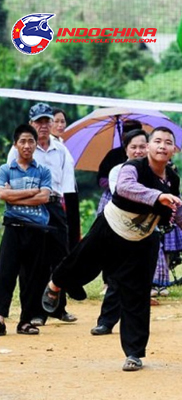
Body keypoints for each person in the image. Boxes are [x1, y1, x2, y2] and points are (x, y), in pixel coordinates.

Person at [41, 127, 182, 372]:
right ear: (147, 146)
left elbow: (178, 212)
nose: (162, 146)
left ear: (173, 150)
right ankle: (55, 284)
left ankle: (134, 353)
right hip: (110, 228)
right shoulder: (133, 167)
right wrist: (158, 196)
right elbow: (125, 188)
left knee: (136, 296)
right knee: (80, 264)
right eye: (157, 141)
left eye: (167, 142)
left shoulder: (172, 178)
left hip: (142, 240)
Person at [7, 103, 78, 325]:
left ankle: (59, 307)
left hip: (55, 206)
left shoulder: (61, 149)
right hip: (30, 208)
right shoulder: (20, 149)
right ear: (31, 124)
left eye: (47, 121)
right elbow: (9, 182)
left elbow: (68, 184)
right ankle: (34, 311)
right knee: (32, 261)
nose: (44, 125)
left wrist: (70, 219)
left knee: (61, 257)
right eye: (39, 122)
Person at [89, 129, 149, 336]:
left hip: (146, 231)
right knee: (116, 277)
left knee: (141, 282)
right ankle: (106, 321)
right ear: (127, 150)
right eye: (134, 147)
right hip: (120, 229)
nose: (138, 151)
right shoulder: (118, 171)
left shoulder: (157, 170)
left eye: (142, 146)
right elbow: (124, 194)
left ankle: (135, 330)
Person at [0, 124, 52, 336]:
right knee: (5, 273)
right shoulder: (5, 170)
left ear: (36, 145)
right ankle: (0, 318)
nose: (27, 145)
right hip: (13, 228)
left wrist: (15, 194)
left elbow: (45, 197)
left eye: (31, 141)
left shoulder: (43, 171)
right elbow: (3, 195)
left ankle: (25, 321)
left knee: (33, 277)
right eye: (22, 141)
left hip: (37, 229)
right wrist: (32, 191)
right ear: (15, 145)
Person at [51, 107, 82, 251]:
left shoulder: (62, 143)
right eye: (56, 121)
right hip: (59, 195)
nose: (60, 125)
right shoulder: (48, 145)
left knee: (72, 233)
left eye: (62, 121)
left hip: (70, 193)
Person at [96, 120, 143, 214]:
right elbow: (101, 178)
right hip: (113, 198)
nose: (137, 151)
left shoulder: (148, 160)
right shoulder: (113, 155)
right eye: (133, 147)